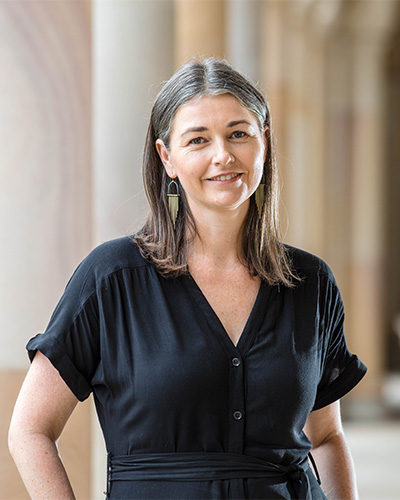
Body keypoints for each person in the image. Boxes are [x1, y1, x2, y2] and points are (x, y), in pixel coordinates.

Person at [9, 58, 367, 500]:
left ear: (264, 141)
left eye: (239, 133)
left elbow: (327, 437)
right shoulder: (111, 278)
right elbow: (30, 430)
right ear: (167, 157)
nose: (223, 155)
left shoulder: (310, 283)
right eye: (198, 139)